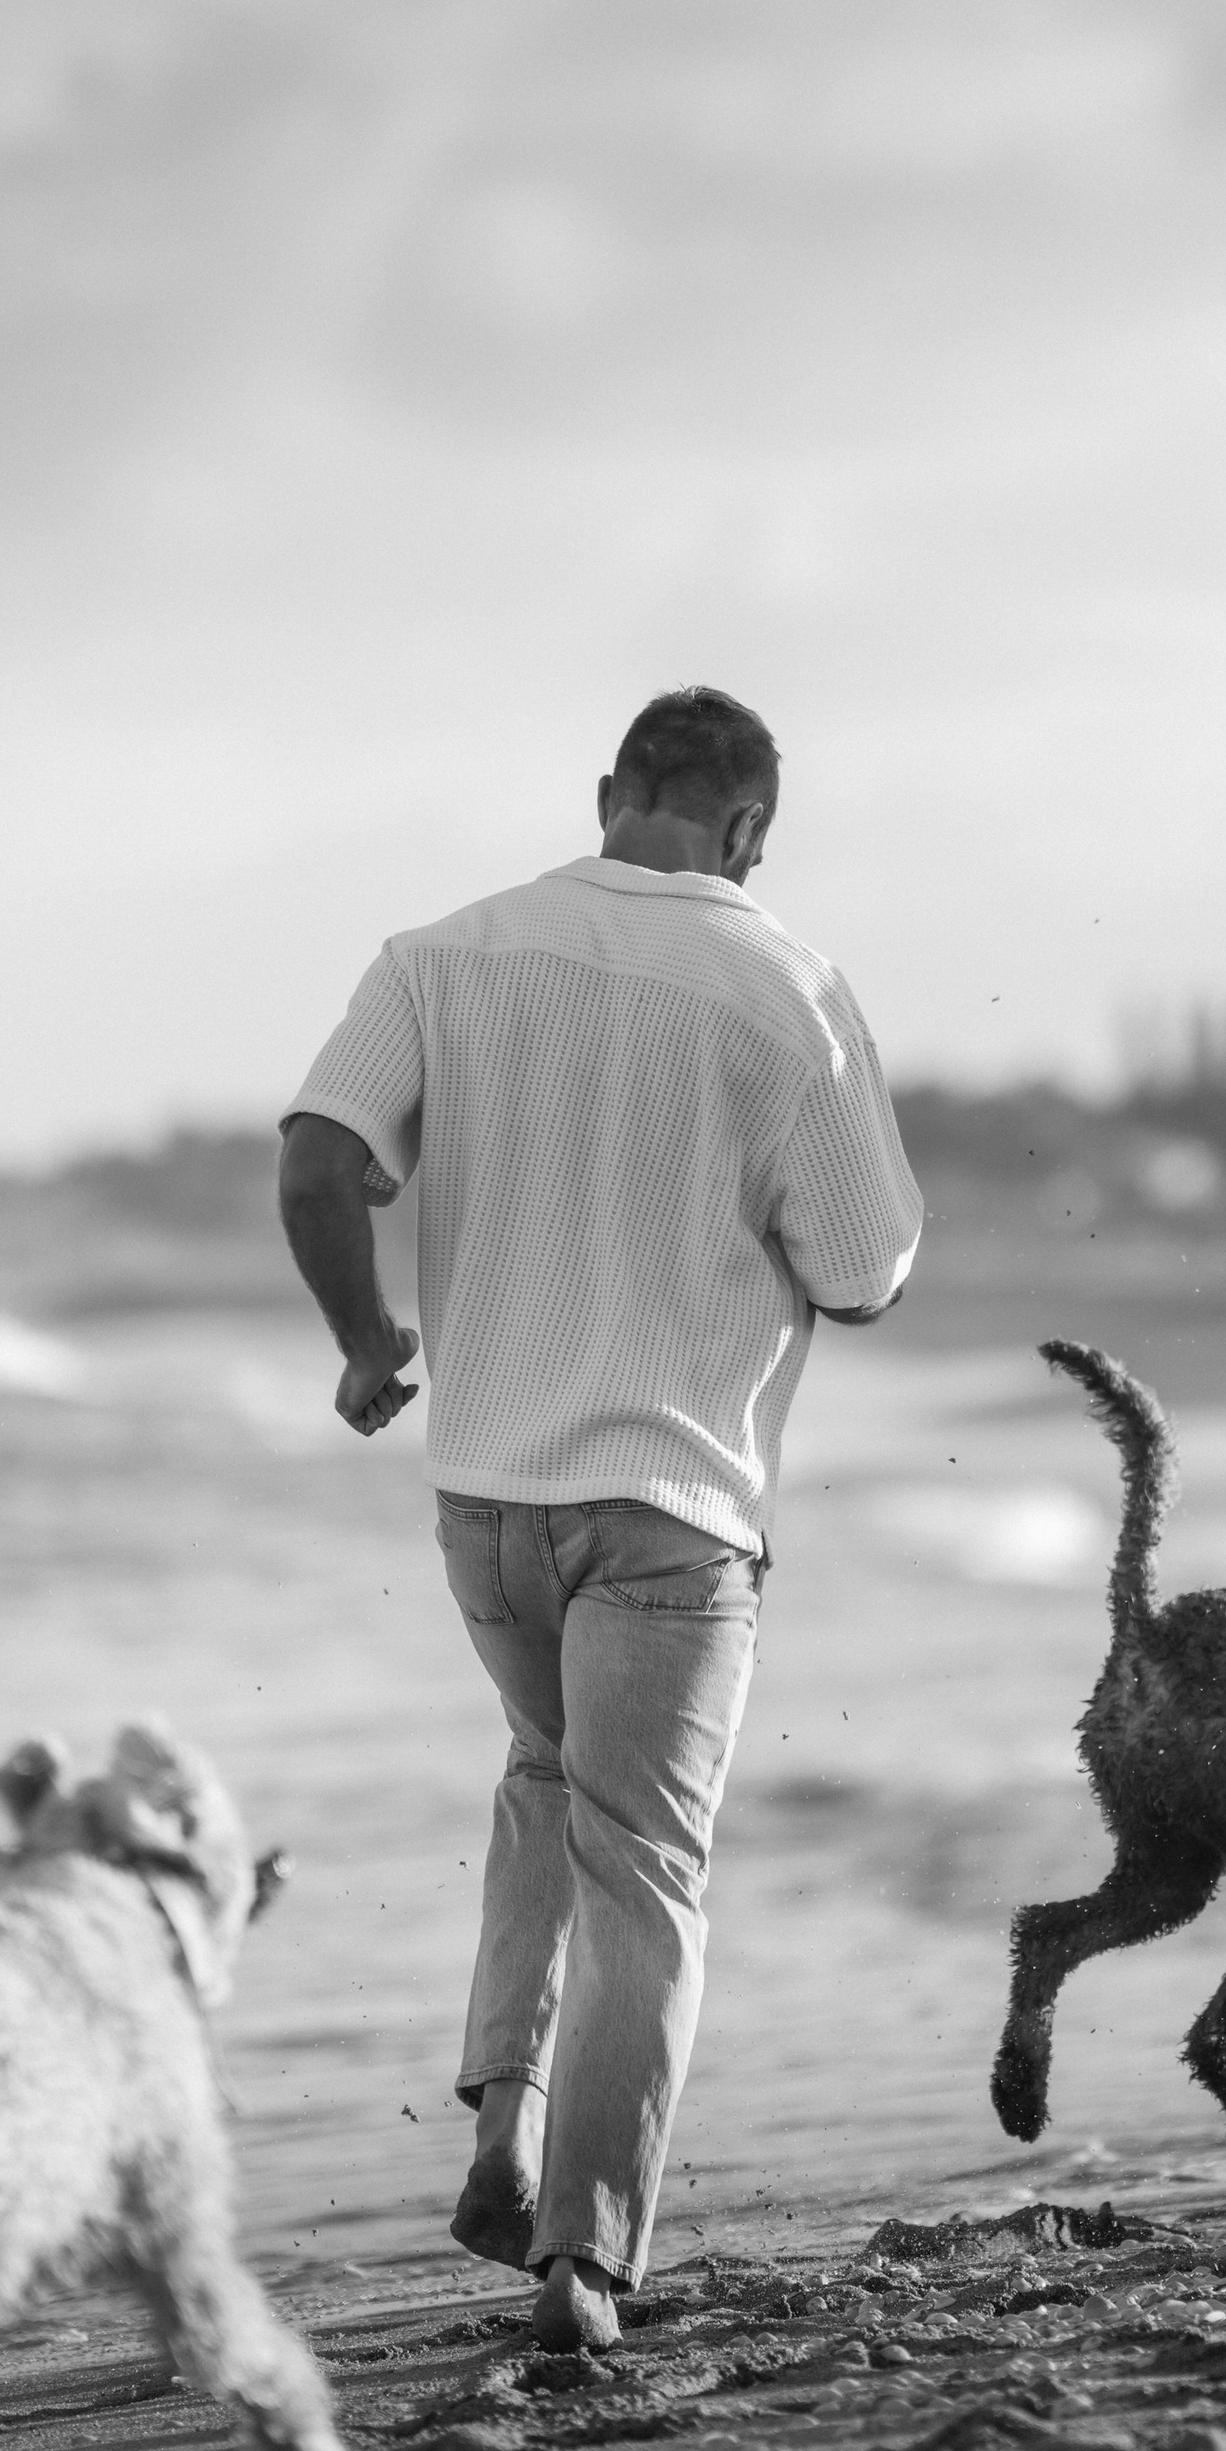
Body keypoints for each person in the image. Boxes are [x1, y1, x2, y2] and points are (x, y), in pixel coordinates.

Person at [277, 688, 922, 2349]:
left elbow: (316, 1153)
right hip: (668, 1506)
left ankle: (500, 2123)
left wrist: (366, 1341)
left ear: (612, 792)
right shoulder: (792, 986)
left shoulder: (441, 952)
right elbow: (865, 1273)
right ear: (751, 828)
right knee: (646, 1868)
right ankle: (586, 2258)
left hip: (484, 1500)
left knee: (545, 1779)